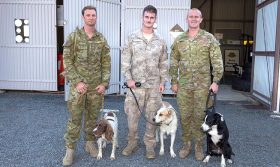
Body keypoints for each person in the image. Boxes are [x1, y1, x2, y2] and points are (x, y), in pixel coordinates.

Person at [169, 8, 224, 161]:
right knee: (185, 117)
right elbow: (173, 61)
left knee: (201, 117)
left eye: (196, 17)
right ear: (187, 19)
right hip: (184, 87)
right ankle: (186, 144)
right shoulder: (179, 39)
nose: (193, 19)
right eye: (191, 16)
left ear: (201, 19)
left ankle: (199, 146)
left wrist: (216, 81)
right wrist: (174, 81)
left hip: (203, 87)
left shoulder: (209, 38)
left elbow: (217, 61)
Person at [62, 5, 111, 166]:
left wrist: (104, 84)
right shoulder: (74, 37)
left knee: (91, 119)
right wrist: (77, 82)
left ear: (96, 18)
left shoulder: (101, 39)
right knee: (75, 119)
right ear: (83, 17)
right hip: (79, 88)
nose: (91, 17)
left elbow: (106, 63)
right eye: (88, 15)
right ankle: (70, 149)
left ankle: (90, 143)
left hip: (95, 89)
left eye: (93, 15)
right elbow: (67, 60)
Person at [121, 5, 168, 159]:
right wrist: (128, 79)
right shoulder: (132, 37)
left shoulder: (160, 40)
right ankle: (132, 142)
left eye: (152, 17)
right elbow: (125, 60)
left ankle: (150, 145)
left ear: (155, 19)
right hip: (136, 87)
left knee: (152, 117)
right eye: (146, 17)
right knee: (132, 118)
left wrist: (163, 81)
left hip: (154, 87)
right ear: (142, 18)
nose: (149, 20)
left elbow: (164, 62)